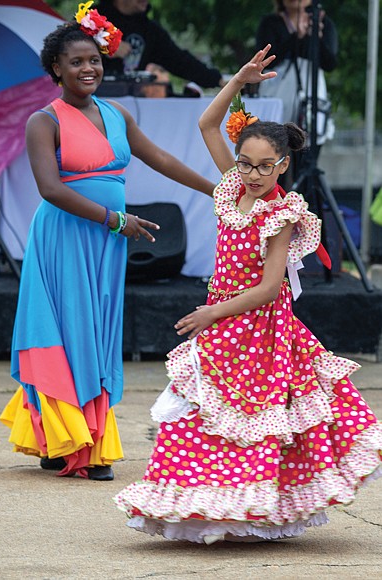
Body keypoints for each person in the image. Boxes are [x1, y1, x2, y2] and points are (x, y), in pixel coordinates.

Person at [113, 45, 382, 542]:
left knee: (256, 420)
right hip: (223, 321)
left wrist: (212, 311)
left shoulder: (280, 214)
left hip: (258, 325)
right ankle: (206, 505)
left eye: (264, 167)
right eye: (245, 164)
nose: (252, 175)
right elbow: (207, 125)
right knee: (200, 414)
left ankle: (256, 507)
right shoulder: (231, 188)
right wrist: (237, 80)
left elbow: (269, 288)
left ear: (282, 167)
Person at [0, 2, 215, 482]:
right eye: (76, 61)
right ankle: (67, 440)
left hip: (106, 239)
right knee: (68, 330)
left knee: (96, 333)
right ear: (56, 68)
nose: (88, 68)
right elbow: (50, 189)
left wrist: (216, 187)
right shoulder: (44, 121)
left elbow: (159, 156)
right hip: (65, 237)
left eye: (94, 59)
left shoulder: (115, 114)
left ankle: (75, 436)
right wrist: (115, 220)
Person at [255, 0, 338, 185]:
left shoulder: (322, 22)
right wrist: (295, 37)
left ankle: (305, 210)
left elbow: (330, 62)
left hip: (310, 100)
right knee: (273, 162)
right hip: (277, 98)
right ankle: (274, 208)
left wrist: (312, 36)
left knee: (307, 164)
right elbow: (263, 59)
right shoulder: (271, 22)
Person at [96, 0, 225, 89]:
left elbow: (179, 61)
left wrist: (217, 80)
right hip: (91, 102)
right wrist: (100, 44)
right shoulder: (90, 20)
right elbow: (76, 47)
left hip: (130, 104)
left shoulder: (150, 30)